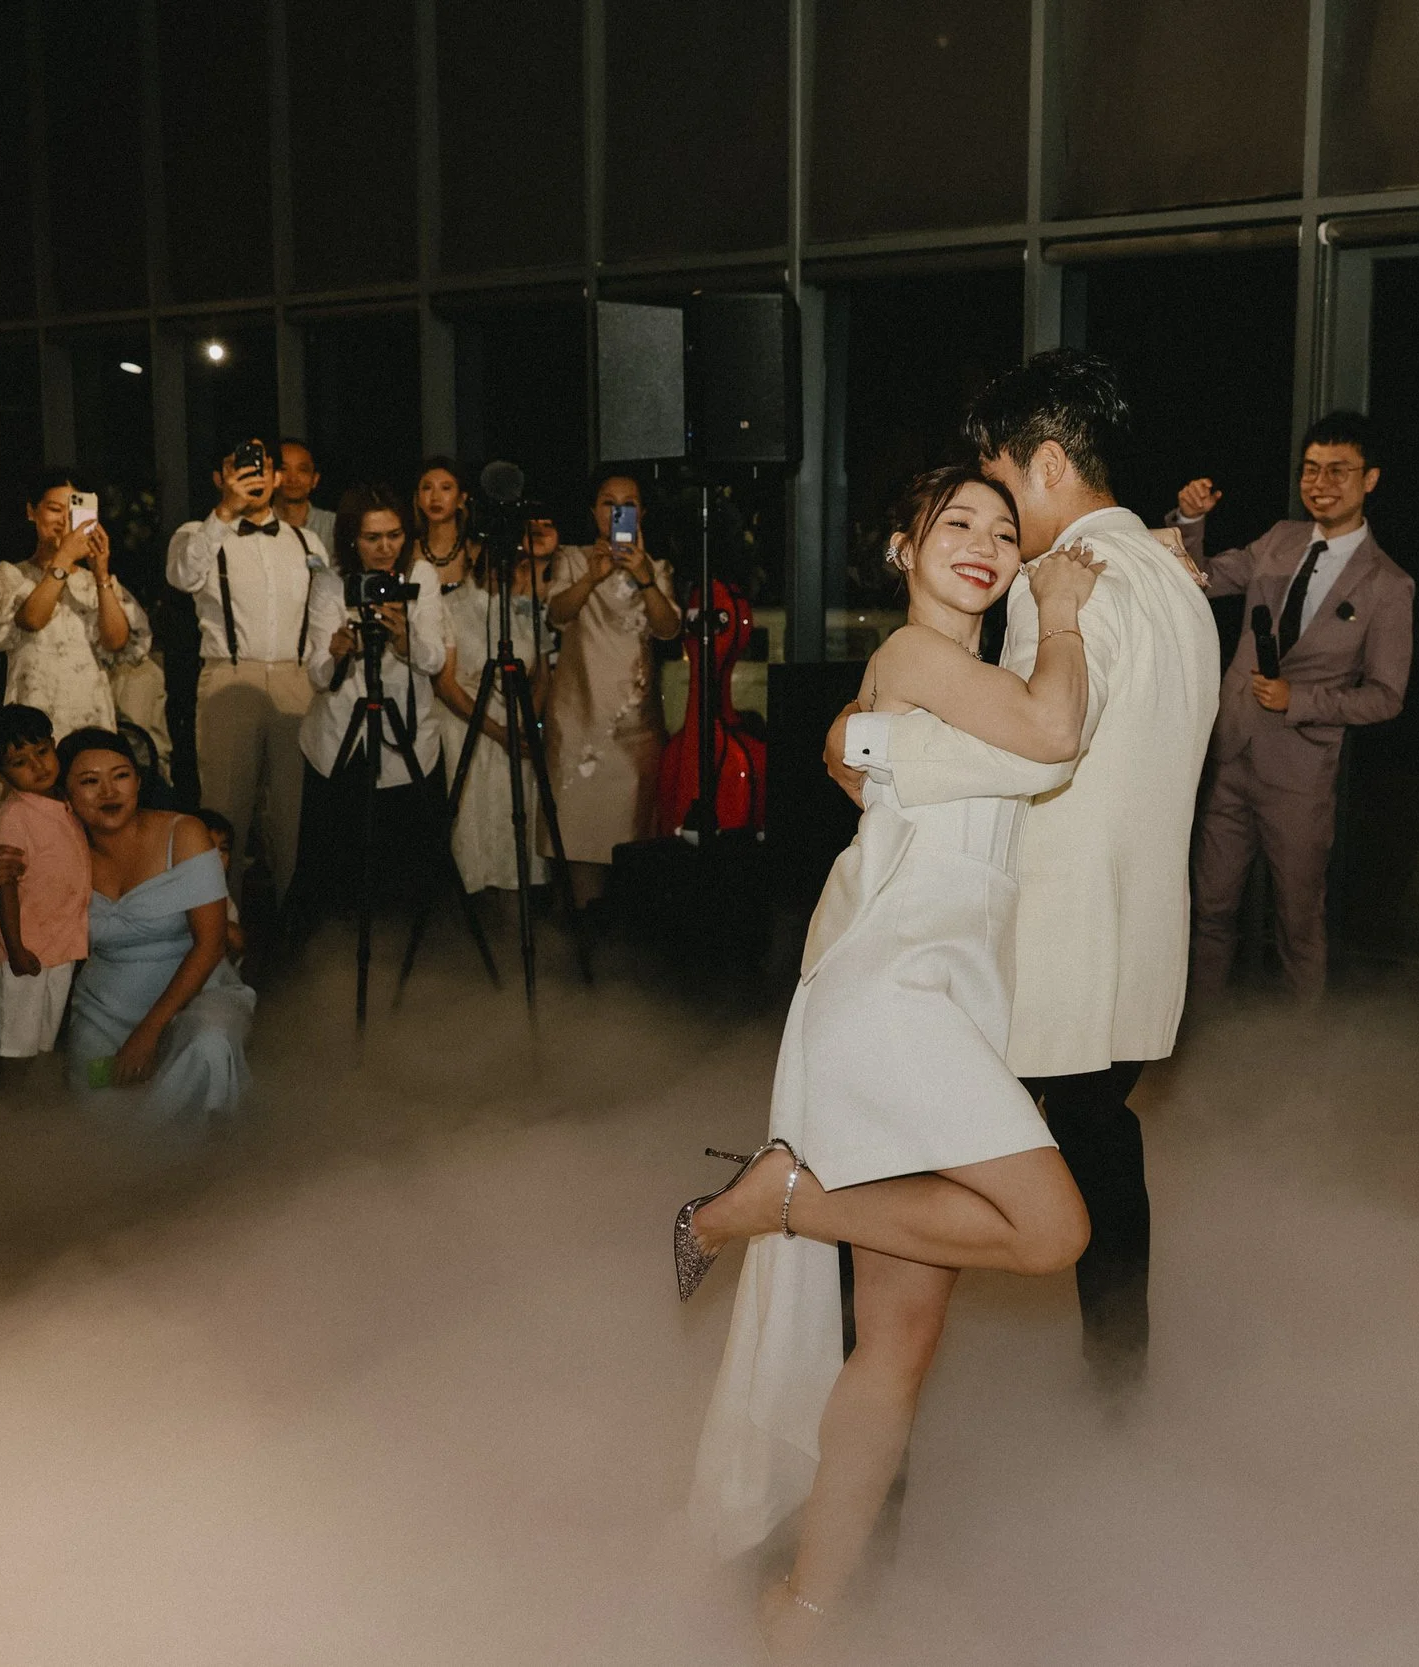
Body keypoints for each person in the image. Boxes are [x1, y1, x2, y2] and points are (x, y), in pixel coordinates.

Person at [685, 466, 1102, 1644]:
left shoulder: (953, 684)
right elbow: (1056, 732)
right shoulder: (919, 655)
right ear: (900, 550)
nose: (983, 543)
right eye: (954, 523)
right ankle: (781, 1198)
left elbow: (1022, 745)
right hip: (893, 991)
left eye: (1004, 531)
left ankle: (804, 1603)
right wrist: (1065, 617)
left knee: (898, 1345)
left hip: (951, 999)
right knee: (1053, 1229)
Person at [825, 348, 1222, 1396]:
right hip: (1132, 954)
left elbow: (1033, 746)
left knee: (899, 1168)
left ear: (1046, 462)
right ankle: (1118, 1390)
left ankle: (862, 1394)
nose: (995, 518)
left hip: (1040, 953)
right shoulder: (1176, 582)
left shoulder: (1064, 586)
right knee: (1099, 1149)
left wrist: (864, 743)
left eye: (999, 482)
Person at [1169, 410, 1415, 1003]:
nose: (1320, 483)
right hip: (1232, 754)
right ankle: (1200, 1030)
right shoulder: (1279, 539)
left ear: (1370, 479)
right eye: (1310, 469)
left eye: (1338, 470)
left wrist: (1298, 698)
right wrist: (1191, 521)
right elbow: (1199, 578)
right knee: (1209, 910)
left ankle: (1300, 1048)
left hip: (1300, 777)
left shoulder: (1387, 584)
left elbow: (1386, 697)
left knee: (1298, 923)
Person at [54, 728, 254, 1128]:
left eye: (121, 775)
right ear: (66, 796)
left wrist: (148, 1033)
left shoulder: (185, 833)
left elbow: (211, 944)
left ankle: (194, 1156)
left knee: (207, 1047)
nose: (109, 791)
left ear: (139, 782)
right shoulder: (61, 849)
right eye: (90, 781)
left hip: (200, 994)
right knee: (97, 1103)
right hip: (105, 1007)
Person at [165, 437, 326, 905]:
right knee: (225, 808)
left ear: (276, 477)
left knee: (292, 813)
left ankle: (294, 921)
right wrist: (225, 512)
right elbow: (182, 576)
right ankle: (221, 923)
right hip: (230, 677)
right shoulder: (196, 533)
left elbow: (323, 611)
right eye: (240, 467)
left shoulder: (306, 540)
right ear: (221, 477)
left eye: (262, 467)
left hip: (297, 680)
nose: (254, 476)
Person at [291, 483, 453, 926]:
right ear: (352, 540)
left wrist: (403, 639)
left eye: (395, 535)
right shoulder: (331, 582)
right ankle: (334, 952)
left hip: (407, 734)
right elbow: (318, 675)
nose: (385, 548)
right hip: (342, 737)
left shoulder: (420, 576)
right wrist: (339, 650)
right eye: (372, 538)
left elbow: (434, 660)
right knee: (340, 877)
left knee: (407, 873)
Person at [543, 473, 678, 909]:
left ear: (641, 513)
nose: (617, 511)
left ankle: (622, 920)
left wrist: (644, 578)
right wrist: (590, 578)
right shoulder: (571, 559)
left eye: (628, 503)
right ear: (594, 512)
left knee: (630, 823)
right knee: (577, 823)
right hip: (578, 712)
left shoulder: (655, 567)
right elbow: (556, 614)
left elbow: (668, 628)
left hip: (634, 719)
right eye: (608, 502)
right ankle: (578, 919)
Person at [0, 468, 152, 737]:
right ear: (32, 511)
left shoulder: (94, 583)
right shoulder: (8, 576)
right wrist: (65, 557)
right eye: (55, 509)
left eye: (74, 512)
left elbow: (116, 643)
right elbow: (32, 619)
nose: (65, 520)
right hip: (33, 718)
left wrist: (101, 574)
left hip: (91, 715)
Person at [435, 508, 557, 895]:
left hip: (517, 728)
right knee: (475, 827)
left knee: (515, 826)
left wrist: (525, 725)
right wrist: (496, 731)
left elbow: (542, 675)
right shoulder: (450, 607)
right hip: (468, 727)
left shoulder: (522, 608)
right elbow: (445, 684)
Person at [0, 706, 88, 1065]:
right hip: (22, 952)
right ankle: (9, 1096)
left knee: (42, 1039)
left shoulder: (63, 803)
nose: (38, 766)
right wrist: (16, 949)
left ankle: (31, 1095)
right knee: (14, 1043)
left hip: (56, 947)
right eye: (20, 762)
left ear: (54, 744)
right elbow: (6, 887)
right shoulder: (15, 817)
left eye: (42, 751)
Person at [413, 456, 479, 591]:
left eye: (445, 488)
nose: (435, 497)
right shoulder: (407, 552)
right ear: (418, 499)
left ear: (461, 499)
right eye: (427, 488)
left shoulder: (477, 553)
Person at [197, 808, 248, 962]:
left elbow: (236, 946)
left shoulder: (226, 902)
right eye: (209, 848)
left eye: (223, 849)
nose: (218, 857)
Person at [275, 439, 334, 552]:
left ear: (315, 479)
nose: (293, 479)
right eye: (283, 469)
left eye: (302, 470)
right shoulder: (256, 524)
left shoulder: (333, 525)